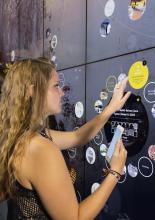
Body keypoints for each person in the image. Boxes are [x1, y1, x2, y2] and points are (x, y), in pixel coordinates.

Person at [0, 58, 131, 219]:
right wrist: (115, 172)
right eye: (56, 86)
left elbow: (77, 137)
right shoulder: (40, 149)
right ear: (32, 91)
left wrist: (110, 109)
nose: (62, 92)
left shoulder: (25, 136)